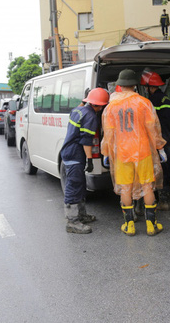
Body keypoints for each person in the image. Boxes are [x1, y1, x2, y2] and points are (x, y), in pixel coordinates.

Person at [101, 69, 167, 236]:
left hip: (123, 152)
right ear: (135, 84)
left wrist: (106, 152)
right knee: (147, 186)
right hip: (143, 150)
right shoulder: (144, 102)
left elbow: (108, 133)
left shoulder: (111, 107)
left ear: (120, 85)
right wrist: (160, 147)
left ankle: (129, 226)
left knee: (126, 188)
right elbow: (153, 128)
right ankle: (151, 225)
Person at [60, 88, 109, 234]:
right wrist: (89, 160)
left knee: (80, 184)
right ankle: (72, 221)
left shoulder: (77, 110)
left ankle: (81, 215)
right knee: (74, 185)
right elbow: (86, 141)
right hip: (75, 155)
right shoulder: (91, 117)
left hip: (69, 152)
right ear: (100, 105)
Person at [141, 71, 170, 210]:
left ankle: (164, 202)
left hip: (159, 138)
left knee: (162, 169)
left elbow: (151, 123)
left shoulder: (152, 101)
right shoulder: (165, 98)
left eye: (146, 88)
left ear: (150, 87)